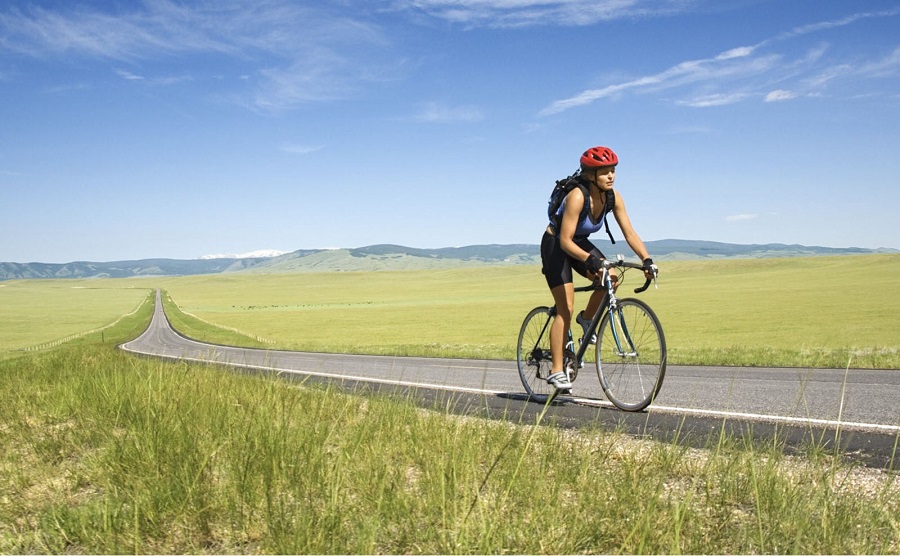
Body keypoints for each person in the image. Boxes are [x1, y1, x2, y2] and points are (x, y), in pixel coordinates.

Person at [540, 146, 656, 393]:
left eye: (613, 171)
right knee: (565, 308)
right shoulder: (577, 197)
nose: (611, 176)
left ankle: (587, 319)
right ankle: (557, 370)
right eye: (604, 172)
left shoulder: (613, 197)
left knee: (611, 279)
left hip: (578, 242)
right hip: (557, 244)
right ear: (590, 174)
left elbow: (629, 233)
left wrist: (647, 260)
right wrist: (590, 261)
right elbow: (564, 241)